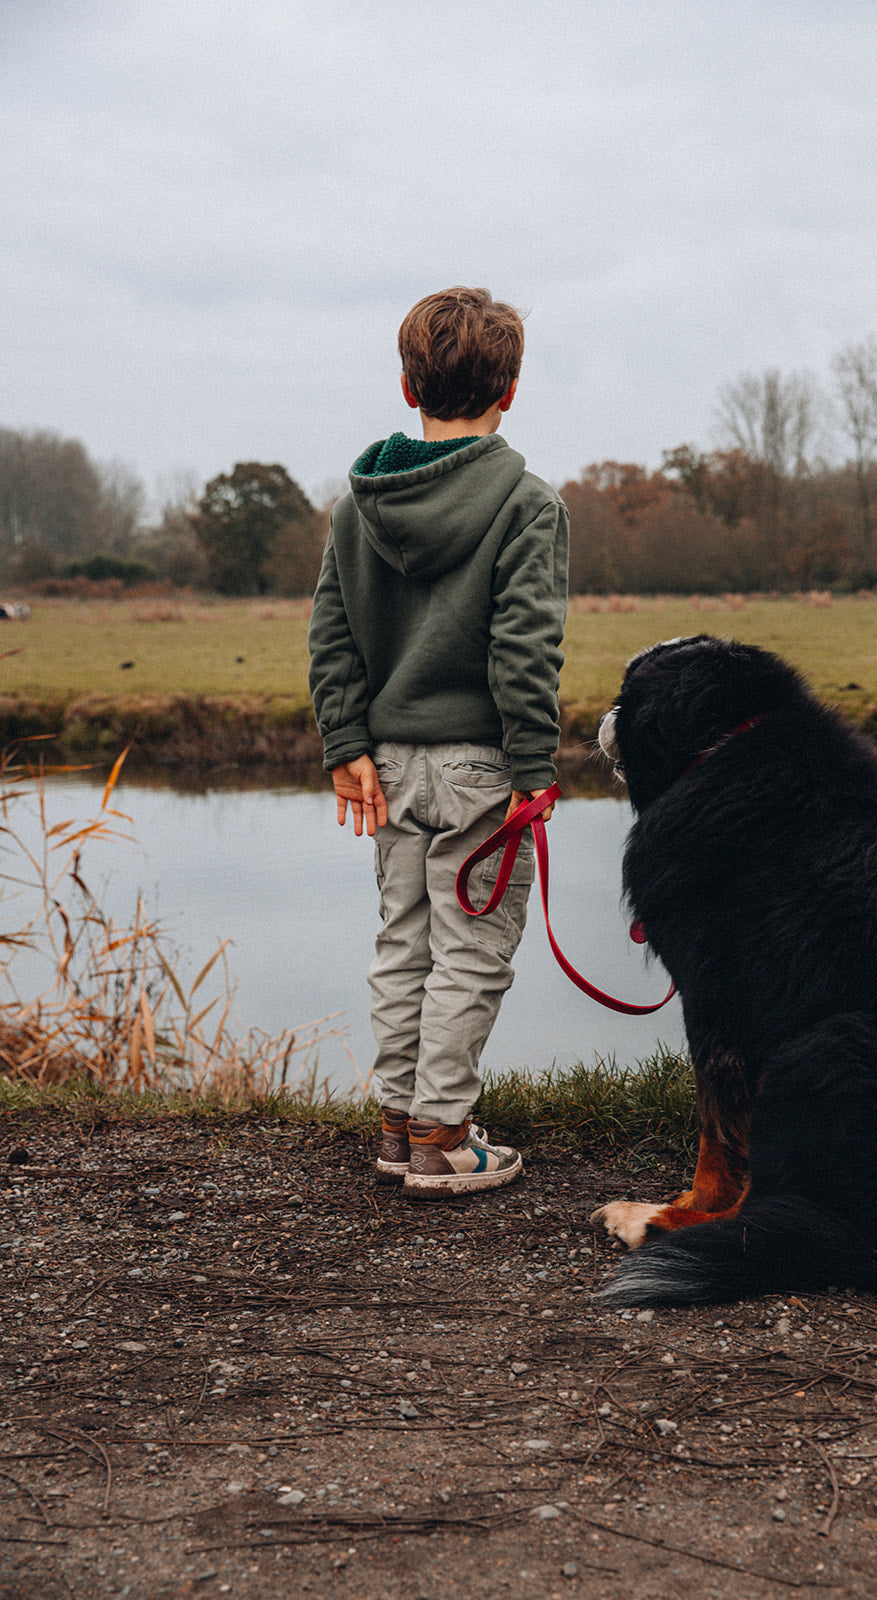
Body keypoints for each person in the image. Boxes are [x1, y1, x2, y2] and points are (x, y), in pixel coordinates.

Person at [308, 286, 569, 1196]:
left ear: (407, 382)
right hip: (479, 770)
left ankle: (394, 1126)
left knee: (403, 943)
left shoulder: (357, 507)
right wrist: (533, 769)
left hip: (387, 770)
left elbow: (331, 635)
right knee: (470, 952)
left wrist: (344, 741)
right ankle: (442, 1140)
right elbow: (525, 649)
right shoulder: (528, 504)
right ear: (511, 385)